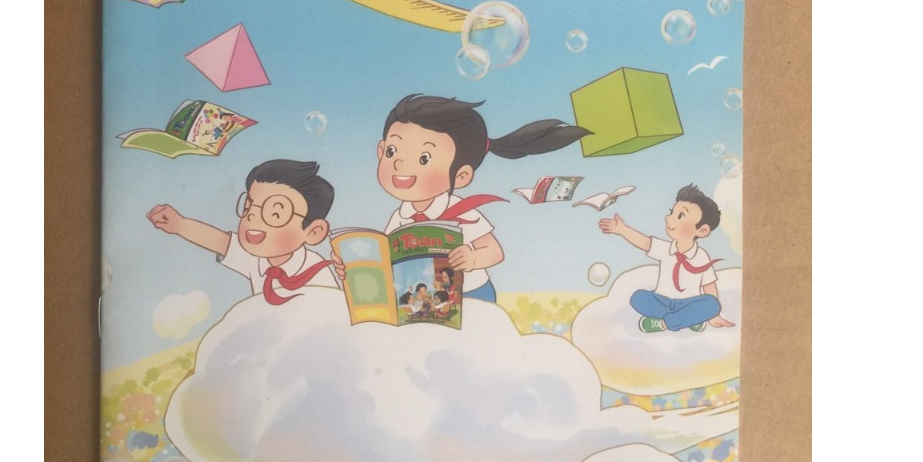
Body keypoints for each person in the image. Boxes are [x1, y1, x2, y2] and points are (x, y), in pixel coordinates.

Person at [337, 94, 590, 303]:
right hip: (423, 299)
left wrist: (472, 258)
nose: (399, 164)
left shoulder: (462, 211)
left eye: (424, 158)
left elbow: (494, 251)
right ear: (380, 151)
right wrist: (355, 268)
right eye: (392, 151)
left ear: (461, 175)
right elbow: (386, 259)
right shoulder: (400, 217)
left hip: (471, 295)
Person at [146, 159, 336, 304]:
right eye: (248, 207)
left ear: (313, 232)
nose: (252, 216)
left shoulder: (317, 272)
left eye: (275, 213)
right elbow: (220, 241)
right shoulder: (257, 260)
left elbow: (334, 315)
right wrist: (179, 224)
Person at [598, 183, 734, 332]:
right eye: (671, 212)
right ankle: (689, 319)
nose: (668, 218)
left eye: (680, 216)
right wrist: (623, 230)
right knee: (638, 297)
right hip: (662, 301)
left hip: (689, 302)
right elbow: (644, 242)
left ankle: (663, 324)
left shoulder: (701, 256)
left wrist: (714, 316)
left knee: (712, 304)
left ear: (702, 230)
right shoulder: (664, 248)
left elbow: (709, 285)